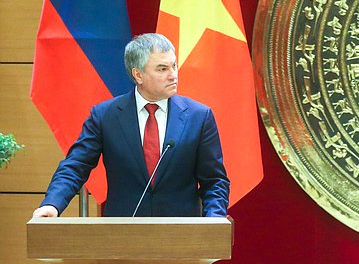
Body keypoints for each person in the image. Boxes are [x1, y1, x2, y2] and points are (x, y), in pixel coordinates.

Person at [32, 33, 229, 218]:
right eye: (162, 69)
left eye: (174, 66)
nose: (173, 75)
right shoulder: (105, 116)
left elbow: (214, 181)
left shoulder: (199, 117)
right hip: (123, 236)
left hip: (181, 238)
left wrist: (214, 219)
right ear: (138, 75)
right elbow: (76, 165)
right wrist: (52, 204)